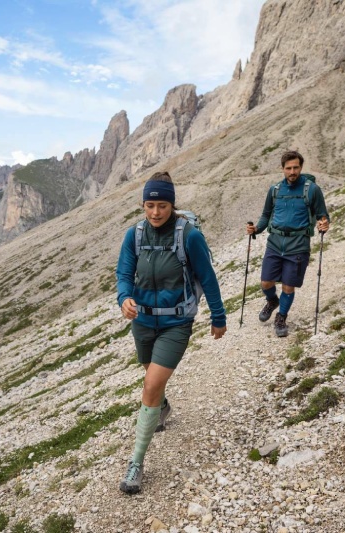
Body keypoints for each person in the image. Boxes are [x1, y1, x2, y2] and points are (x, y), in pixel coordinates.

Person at [115, 171, 227, 494]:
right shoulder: (133, 236)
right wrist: (125, 298)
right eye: (150, 205)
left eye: (162, 205)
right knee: (150, 375)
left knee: (150, 383)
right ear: (143, 204)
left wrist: (217, 317)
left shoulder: (188, 235)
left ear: (172, 204)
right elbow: (124, 272)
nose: (155, 212)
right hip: (143, 321)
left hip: (177, 323)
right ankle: (161, 407)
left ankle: (136, 463)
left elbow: (208, 278)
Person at [246, 150, 330, 337]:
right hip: (275, 243)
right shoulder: (275, 190)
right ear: (282, 169)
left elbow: (322, 214)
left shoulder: (312, 189)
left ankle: (281, 317)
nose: (292, 172)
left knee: (288, 286)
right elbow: (266, 215)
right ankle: (272, 301)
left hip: (298, 245)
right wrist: (257, 229)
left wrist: (324, 223)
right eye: (288, 168)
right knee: (266, 282)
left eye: (296, 167)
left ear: (301, 167)